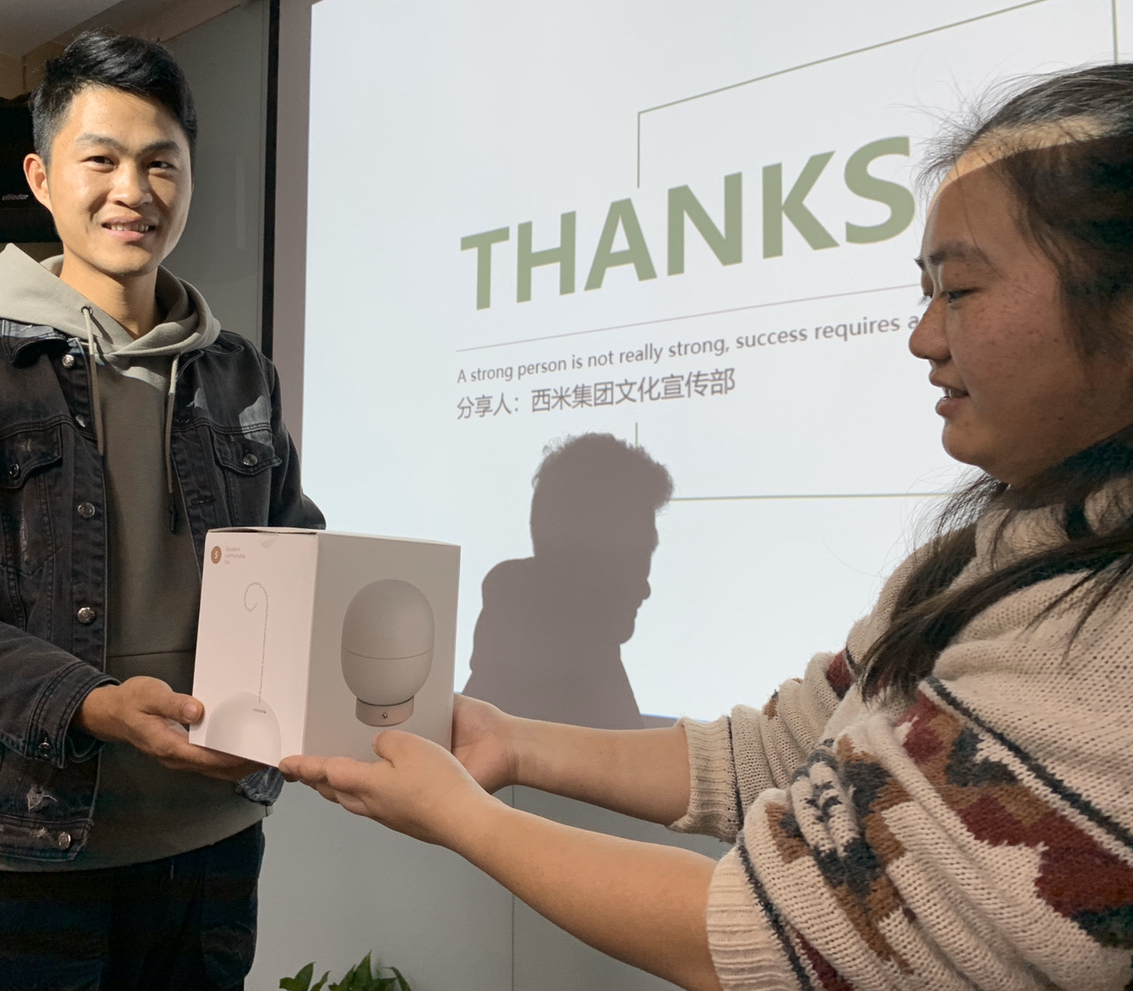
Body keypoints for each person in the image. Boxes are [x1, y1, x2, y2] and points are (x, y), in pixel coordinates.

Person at [281, 63, 1133, 991]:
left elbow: (795, 936)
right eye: (925, 292)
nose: (924, 337)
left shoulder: (1106, 642)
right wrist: (516, 745)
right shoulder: (973, 561)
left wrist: (464, 817)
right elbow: (786, 749)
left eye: (958, 290)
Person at [0, 31, 322, 991]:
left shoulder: (240, 373)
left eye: (162, 163)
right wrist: (90, 703)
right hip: (28, 859)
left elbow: (296, 553)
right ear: (40, 177)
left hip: (215, 847)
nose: (134, 190)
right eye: (102, 159)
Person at [462, 432, 673, 729]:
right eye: (635, 557)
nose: (645, 588)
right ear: (581, 560)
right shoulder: (569, 678)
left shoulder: (573, 648)